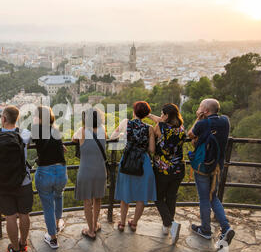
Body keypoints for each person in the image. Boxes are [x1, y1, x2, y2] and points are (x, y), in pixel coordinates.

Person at [187, 98, 235, 247]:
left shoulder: (202, 123)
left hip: (203, 167)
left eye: (200, 107)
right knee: (213, 197)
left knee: (204, 199)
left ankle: (206, 230)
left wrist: (198, 117)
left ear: (206, 111)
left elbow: (190, 134)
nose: (198, 109)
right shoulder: (225, 121)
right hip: (217, 167)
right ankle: (226, 227)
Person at [0, 105, 33, 252]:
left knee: (10, 216)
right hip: (23, 180)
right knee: (24, 214)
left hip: (3, 182)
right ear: (17, 119)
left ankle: (15, 249)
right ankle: (23, 243)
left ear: (3, 119)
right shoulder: (25, 134)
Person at [111, 101, 156, 232]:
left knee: (125, 194)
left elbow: (113, 136)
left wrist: (121, 136)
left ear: (134, 112)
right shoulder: (150, 128)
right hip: (143, 163)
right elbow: (152, 149)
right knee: (141, 196)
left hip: (127, 161)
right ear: (146, 114)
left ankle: (122, 223)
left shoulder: (126, 123)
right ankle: (134, 223)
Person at [148, 103, 185, 244]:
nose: (161, 116)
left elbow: (153, 147)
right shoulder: (181, 128)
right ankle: (167, 226)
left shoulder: (160, 128)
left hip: (163, 169)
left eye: (162, 114)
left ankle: (170, 223)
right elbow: (161, 121)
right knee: (171, 197)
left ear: (167, 116)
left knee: (157, 197)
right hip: (178, 168)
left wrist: (151, 128)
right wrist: (151, 116)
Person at [32, 106, 68, 249]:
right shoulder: (56, 130)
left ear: (39, 118)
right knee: (58, 196)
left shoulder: (36, 130)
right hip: (60, 170)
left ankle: (53, 238)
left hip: (45, 172)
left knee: (47, 206)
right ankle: (58, 224)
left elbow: (31, 139)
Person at [72, 107, 107, 240]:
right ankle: (95, 224)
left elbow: (73, 139)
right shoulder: (103, 130)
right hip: (100, 171)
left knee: (87, 201)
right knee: (97, 199)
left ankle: (90, 230)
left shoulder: (82, 131)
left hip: (86, 171)